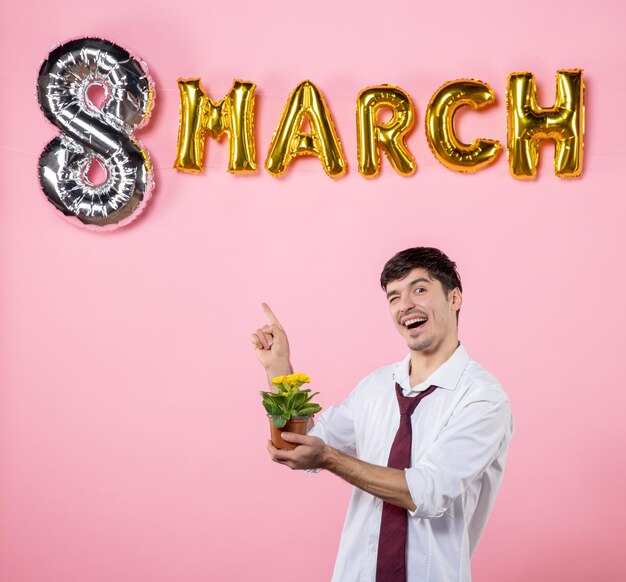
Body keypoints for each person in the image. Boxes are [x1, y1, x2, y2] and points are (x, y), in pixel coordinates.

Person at [251, 247, 513, 582]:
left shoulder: (482, 398)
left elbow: (426, 492)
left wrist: (331, 458)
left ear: (455, 298)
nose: (405, 305)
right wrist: (279, 369)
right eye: (394, 297)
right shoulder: (374, 388)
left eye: (420, 289)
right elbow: (305, 446)